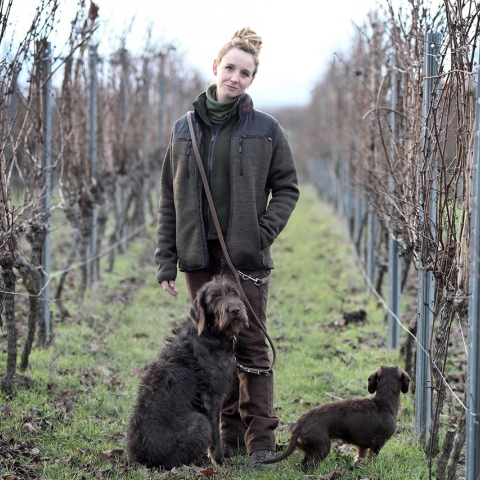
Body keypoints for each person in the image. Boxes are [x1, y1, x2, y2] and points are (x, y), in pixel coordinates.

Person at [154, 26, 299, 468]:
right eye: (230, 68)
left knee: (251, 344)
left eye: (246, 73)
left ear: (252, 80)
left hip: (244, 258)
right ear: (216, 67)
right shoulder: (183, 129)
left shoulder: (266, 129)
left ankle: (260, 443)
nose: (235, 77)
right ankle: (226, 434)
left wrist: (261, 234)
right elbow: (168, 197)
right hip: (198, 256)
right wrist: (166, 260)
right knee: (209, 345)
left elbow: (288, 188)